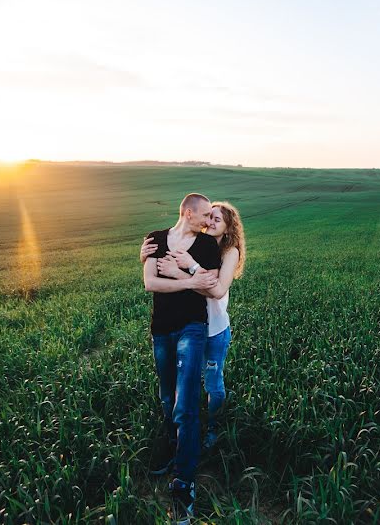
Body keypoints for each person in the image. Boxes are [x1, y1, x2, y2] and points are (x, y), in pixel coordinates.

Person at [142, 193, 221, 524]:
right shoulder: (155, 240)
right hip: (162, 329)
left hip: (193, 328)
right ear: (187, 212)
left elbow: (212, 284)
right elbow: (150, 283)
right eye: (204, 215)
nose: (208, 221)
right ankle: (177, 453)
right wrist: (190, 281)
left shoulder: (207, 247)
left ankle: (183, 481)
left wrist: (179, 277)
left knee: (186, 403)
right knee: (166, 396)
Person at [141, 201, 246, 450]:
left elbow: (217, 291)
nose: (209, 222)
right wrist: (145, 255)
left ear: (229, 228)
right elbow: (162, 262)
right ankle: (183, 429)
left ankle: (213, 427)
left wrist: (185, 271)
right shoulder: (197, 243)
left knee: (212, 383)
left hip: (214, 331)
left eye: (216, 220)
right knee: (185, 384)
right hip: (190, 326)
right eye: (208, 217)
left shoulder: (229, 252)